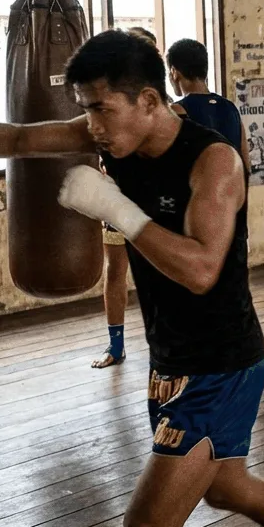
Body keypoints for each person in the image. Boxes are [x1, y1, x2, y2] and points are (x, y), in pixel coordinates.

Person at [0, 30, 264, 527]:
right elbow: (20, 140)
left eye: (101, 109)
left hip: (219, 363)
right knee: (227, 488)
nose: (93, 126)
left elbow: (200, 270)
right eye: (86, 111)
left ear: (149, 100)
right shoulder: (114, 134)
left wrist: (118, 212)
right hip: (171, 356)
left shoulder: (212, 163)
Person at [93, 24, 170, 369]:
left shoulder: (165, 107)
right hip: (120, 200)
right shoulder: (109, 104)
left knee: (166, 273)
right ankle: (116, 345)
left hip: (157, 202)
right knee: (115, 271)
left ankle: (170, 343)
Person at [167, 38, 248, 170]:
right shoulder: (230, 108)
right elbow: (246, 165)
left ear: (174, 72)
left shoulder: (177, 110)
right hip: (234, 188)